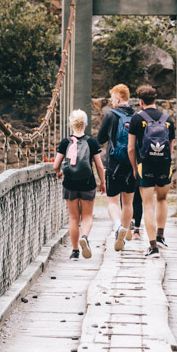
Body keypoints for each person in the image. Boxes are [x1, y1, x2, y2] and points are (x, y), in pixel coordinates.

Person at [128, 84, 175, 256]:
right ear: (155, 99)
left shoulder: (136, 118)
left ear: (140, 101)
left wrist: (135, 168)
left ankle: (153, 246)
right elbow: (170, 148)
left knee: (148, 205)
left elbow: (131, 149)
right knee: (162, 200)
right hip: (163, 165)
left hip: (145, 165)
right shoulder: (168, 119)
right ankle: (161, 236)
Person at [53, 108, 105, 260]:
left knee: (73, 218)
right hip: (88, 183)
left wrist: (59, 173)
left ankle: (75, 251)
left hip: (70, 184)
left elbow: (56, 165)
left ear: (71, 124)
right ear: (86, 124)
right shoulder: (92, 142)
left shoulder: (65, 142)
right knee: (87, 216)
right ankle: (85, 237)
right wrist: (102, 182)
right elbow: (100, 166)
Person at [97, 84, 142, 251]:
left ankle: (117, 228)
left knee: (113, 201)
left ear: (118, 98)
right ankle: (123, 232)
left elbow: (101, 139)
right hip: (132, 164)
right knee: (128, 202)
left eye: (112, 98)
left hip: (114, 164)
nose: (111, 101)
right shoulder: (137, 116)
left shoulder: (111, 115)